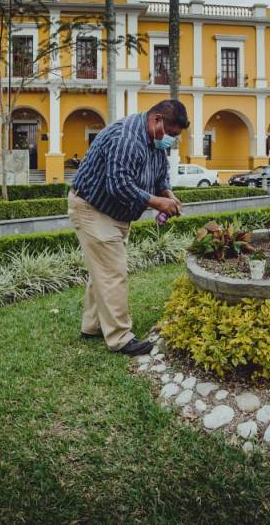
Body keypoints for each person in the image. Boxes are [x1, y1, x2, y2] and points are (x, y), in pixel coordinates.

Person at [68, 99, 188, 356]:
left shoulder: (154, 140)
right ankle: (120, 337)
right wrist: (158, 203)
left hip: (114, 213)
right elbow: (119, 185)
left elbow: (160, 174)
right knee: (113, 272)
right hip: (93, 208)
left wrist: (167, 193)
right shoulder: (127, 138)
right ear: (157, 120)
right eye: (171, 134)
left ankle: (92, 325)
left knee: (102, 271)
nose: (171, 141)